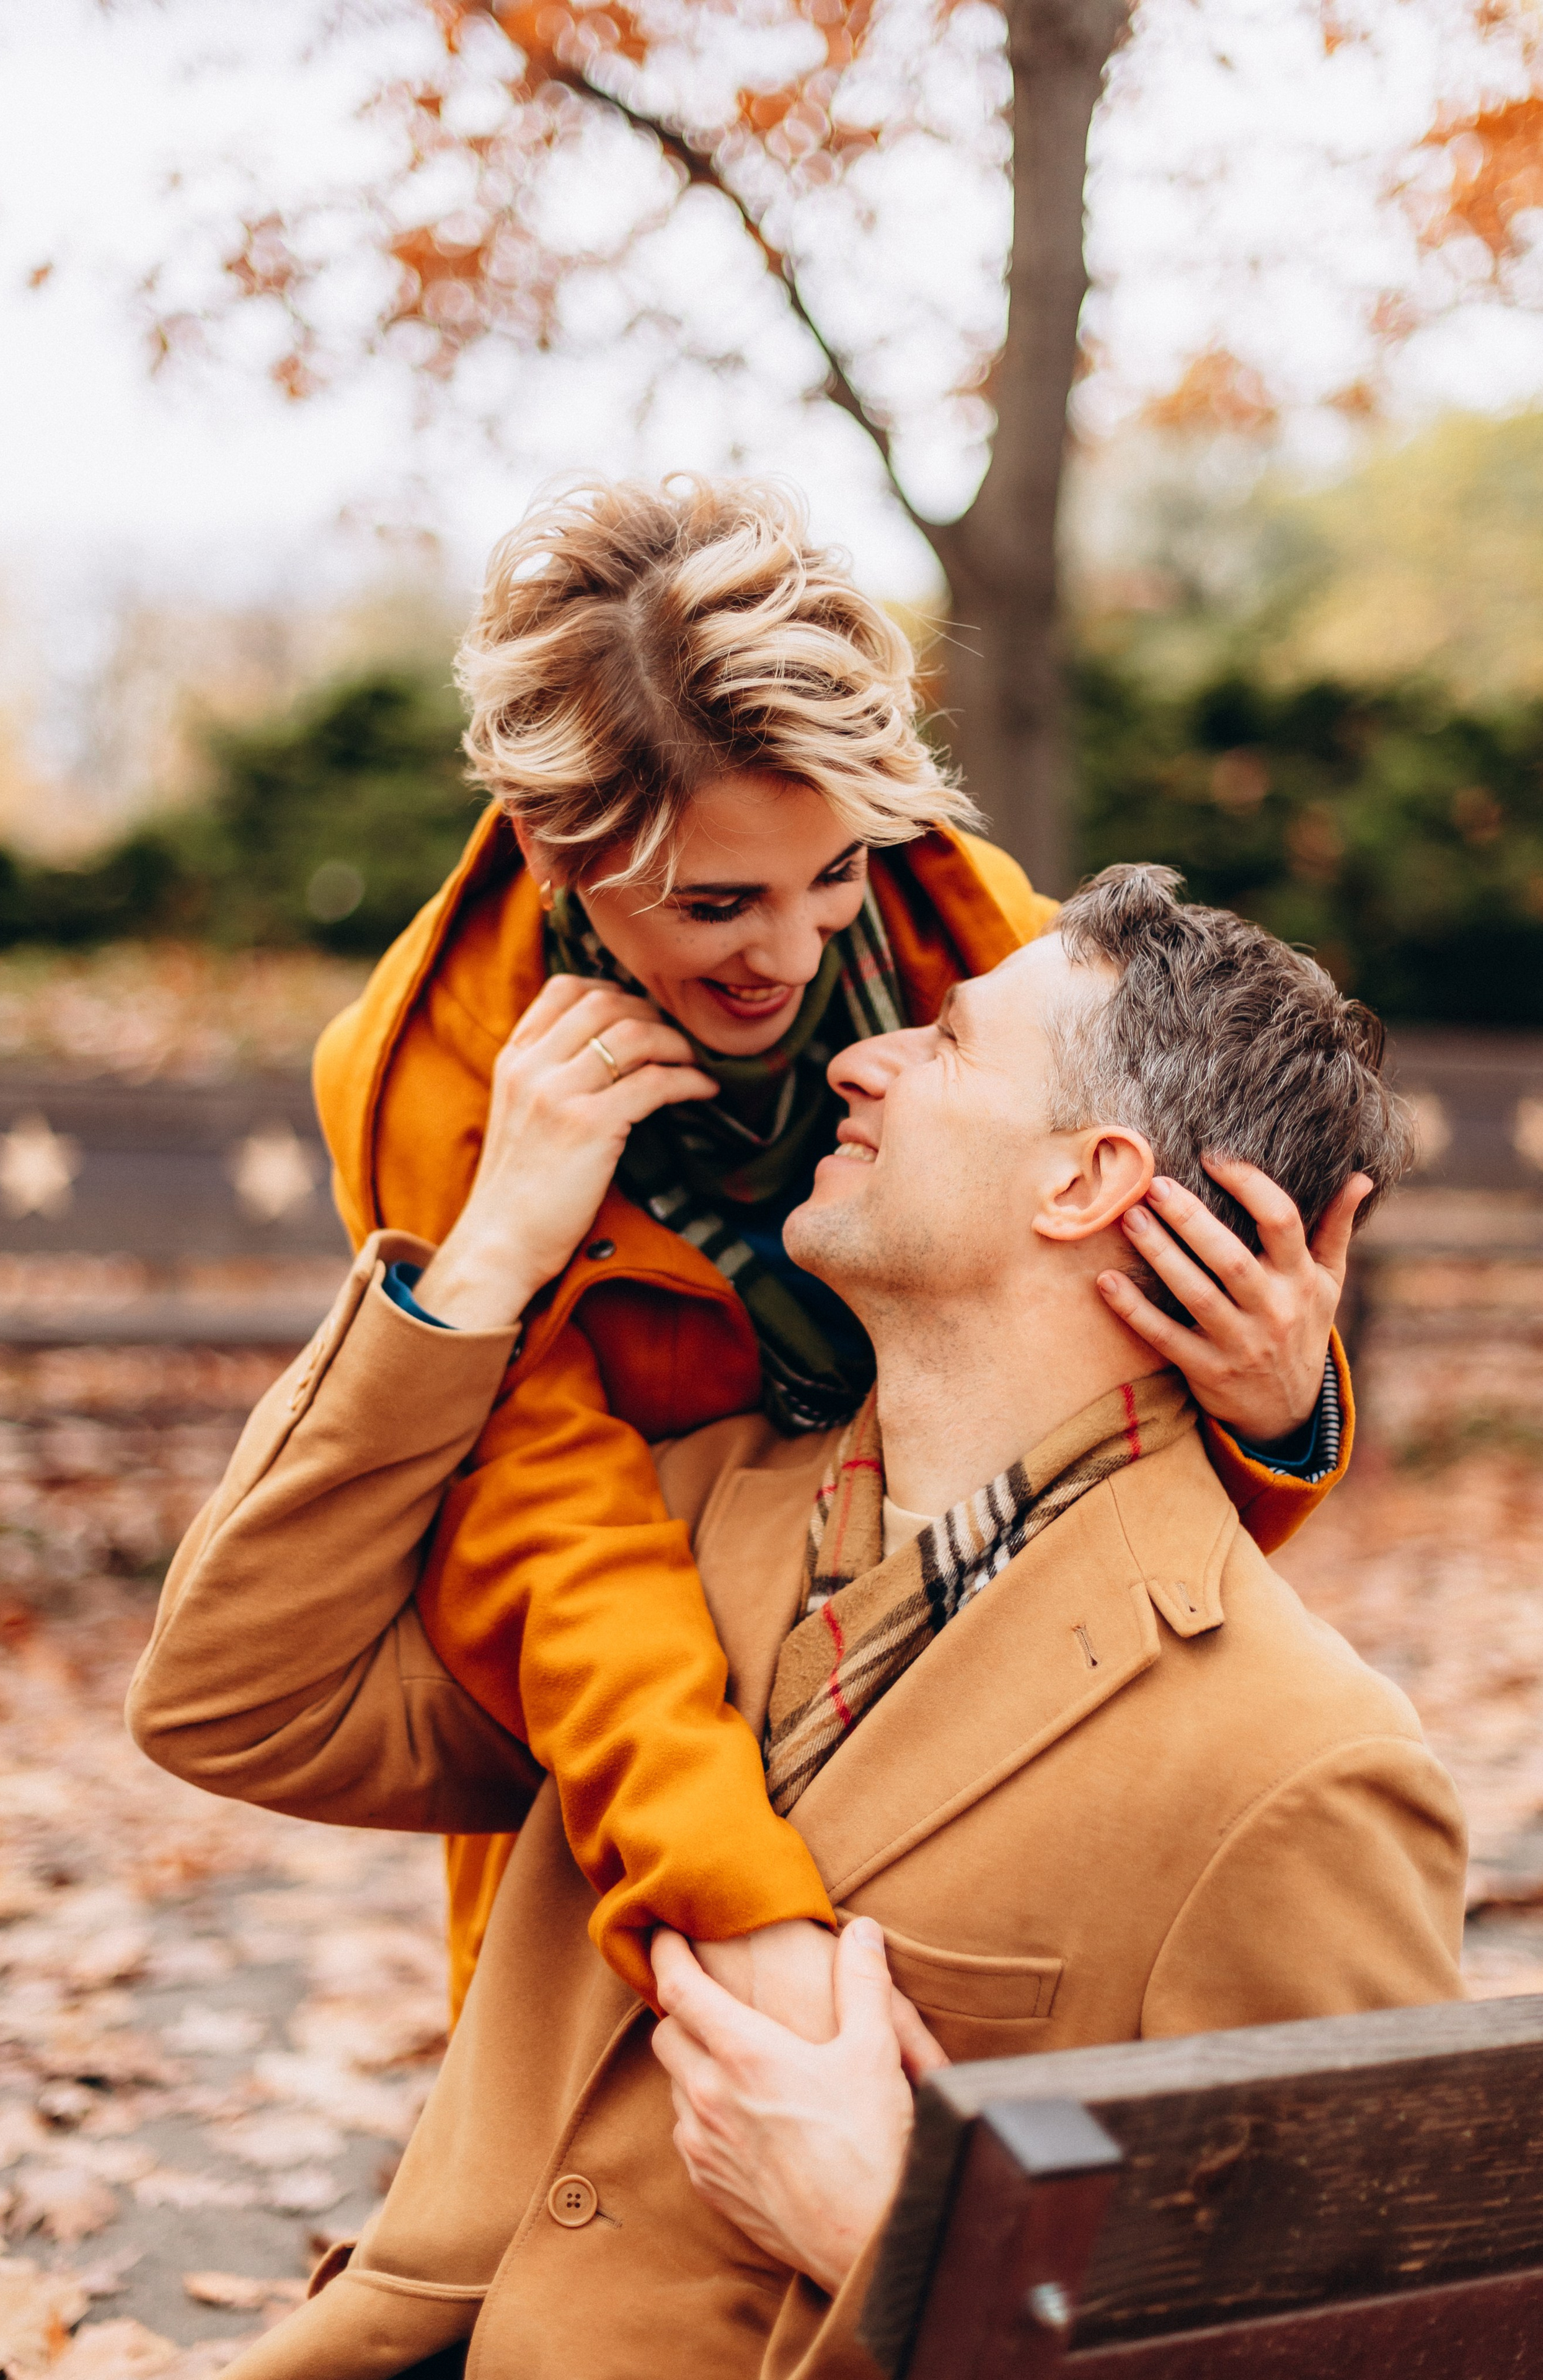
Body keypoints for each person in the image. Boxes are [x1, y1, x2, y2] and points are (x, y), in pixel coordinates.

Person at [127, 866, 1465, 2380]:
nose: (858, 1054)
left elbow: (1346, 2351)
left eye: (946, 1042)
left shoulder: (1298, 1770)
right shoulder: (674, 1524)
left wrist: (895, 2238)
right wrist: (482, 1260)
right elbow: (233, 1704)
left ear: (1082, 1183)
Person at [311, 475, 1362, 2017]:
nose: (793, 957)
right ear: (555, 847)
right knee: (584, 2130)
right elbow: (539, 1528)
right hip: (627, 1706)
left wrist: (1277, 1415)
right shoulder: (429, 1076)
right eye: (718, 904)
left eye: (833, 874)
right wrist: (731, 1909)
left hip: (925, 1628)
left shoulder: (975, 928)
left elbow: (1076, 1407)